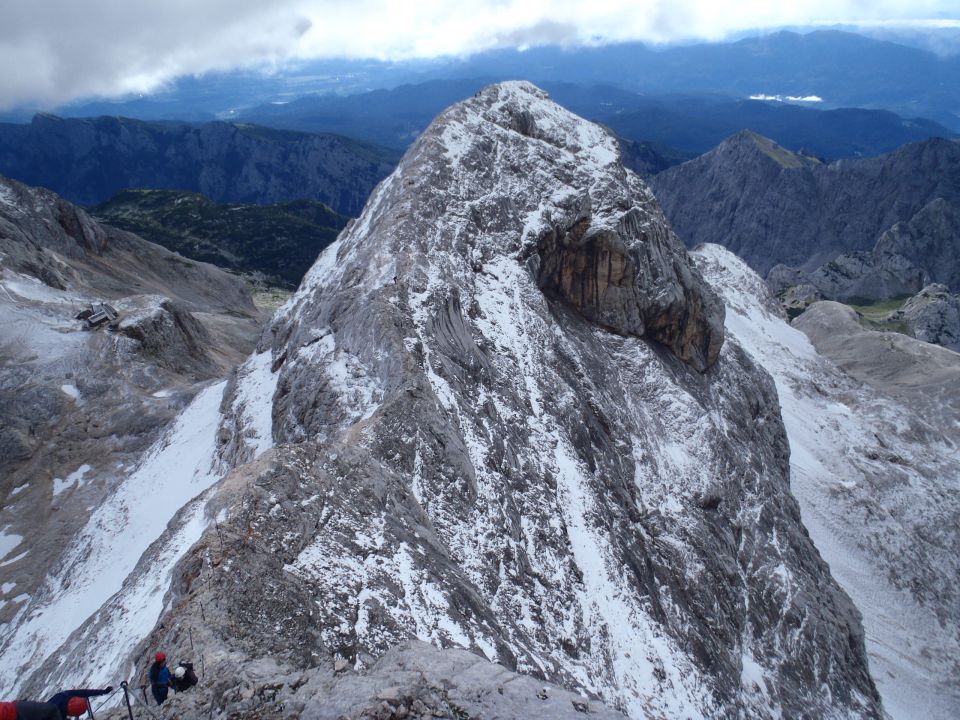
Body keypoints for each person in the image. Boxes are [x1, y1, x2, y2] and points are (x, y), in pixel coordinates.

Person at [2, 687, 112, 720]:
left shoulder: (65, 695)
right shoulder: (56, 713)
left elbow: (84, 692)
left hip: (20, 708)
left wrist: (102, 692)